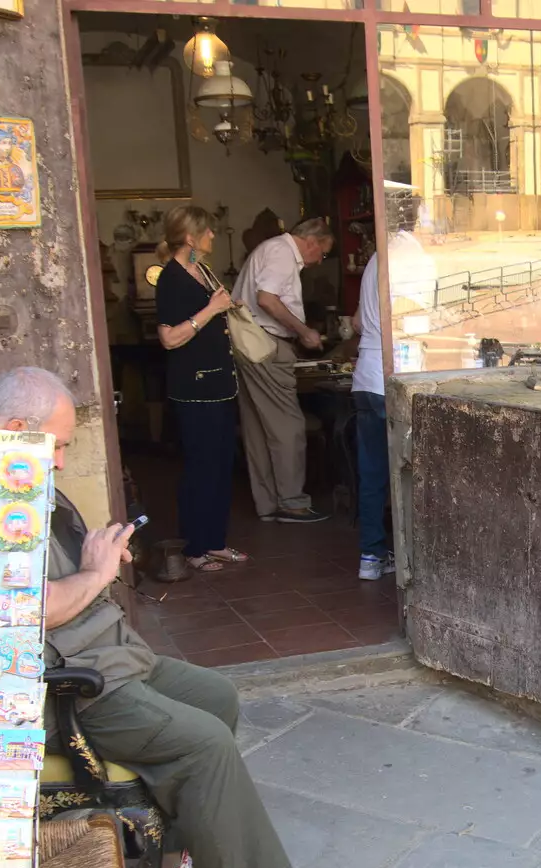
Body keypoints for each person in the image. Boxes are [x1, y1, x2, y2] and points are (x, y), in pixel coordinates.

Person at [0, 367, 337, 868]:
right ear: (14, 428)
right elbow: (25, 611)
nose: (61, 461)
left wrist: (98, 557)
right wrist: (95, 574)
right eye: (58, 445)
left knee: (215, 696)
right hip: (70, 688)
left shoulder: (18, 474)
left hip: (106, 655)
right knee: (205, 745)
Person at [152, 205, 247, 573]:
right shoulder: (171, 278)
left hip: (221, 385)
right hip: (195, 389)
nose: (212, 236)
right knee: (200, 469)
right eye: (207, 231)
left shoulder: (203, 271)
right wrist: (211, 309)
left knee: (222, 466)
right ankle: (195, 547)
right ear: (190, 237)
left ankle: (216, 542)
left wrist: (227, 307)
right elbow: (169, 338)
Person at [352, 197, 436, 580]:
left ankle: (371, 557)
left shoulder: (375, 258)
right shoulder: (411, 255)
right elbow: (408, 313)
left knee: (372, 474)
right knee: (415, 470)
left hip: (365, 376)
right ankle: (414, 559)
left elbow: (356, 321)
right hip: (397, 373)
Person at [230, 217, 334, 524]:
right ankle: (291, 502)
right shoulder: (282, 252)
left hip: (251, 345)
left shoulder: (270, 249)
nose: (319, 261)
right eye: (323, 253)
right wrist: (304, 332)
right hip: (266, 344)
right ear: (312, 241)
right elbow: (267, 299)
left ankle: (270, 503)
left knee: (260, 429)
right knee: (288, 426)